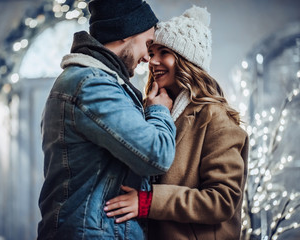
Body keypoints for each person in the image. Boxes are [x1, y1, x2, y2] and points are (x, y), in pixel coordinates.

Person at [104, 5, 249, 240]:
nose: (152, 61)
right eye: (152, 53)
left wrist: (148, 202)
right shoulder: (151, 110)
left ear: (187, 60)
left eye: (164, 52)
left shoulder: (215, 118)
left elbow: (222, 200)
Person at [37, 0, 177, 239]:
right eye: (148, 45)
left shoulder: (93, 81)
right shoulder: (93, 84)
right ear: (125, 33)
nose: (147, 58)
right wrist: (159, 111)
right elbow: (156, 155)